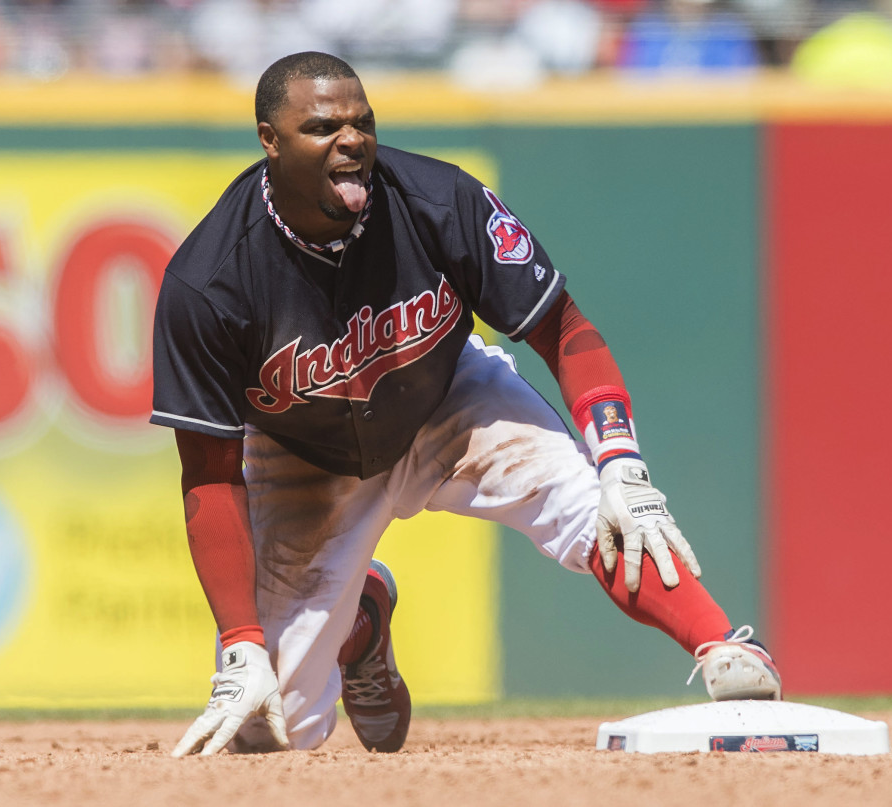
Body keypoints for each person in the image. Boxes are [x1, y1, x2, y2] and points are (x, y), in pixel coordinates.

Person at [151, 50, 781, 757]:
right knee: (270, 732)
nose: (351, 140)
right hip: (303, 457)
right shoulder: (209, 280)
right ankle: (361, 624)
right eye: (323, 126)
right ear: (270, 140)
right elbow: (208, 472)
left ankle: (724, 646)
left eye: (362, 122)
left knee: (595, 502)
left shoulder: (437, 199)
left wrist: (620, 460)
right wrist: (240, 642)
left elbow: (564, 327)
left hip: (446, 399)